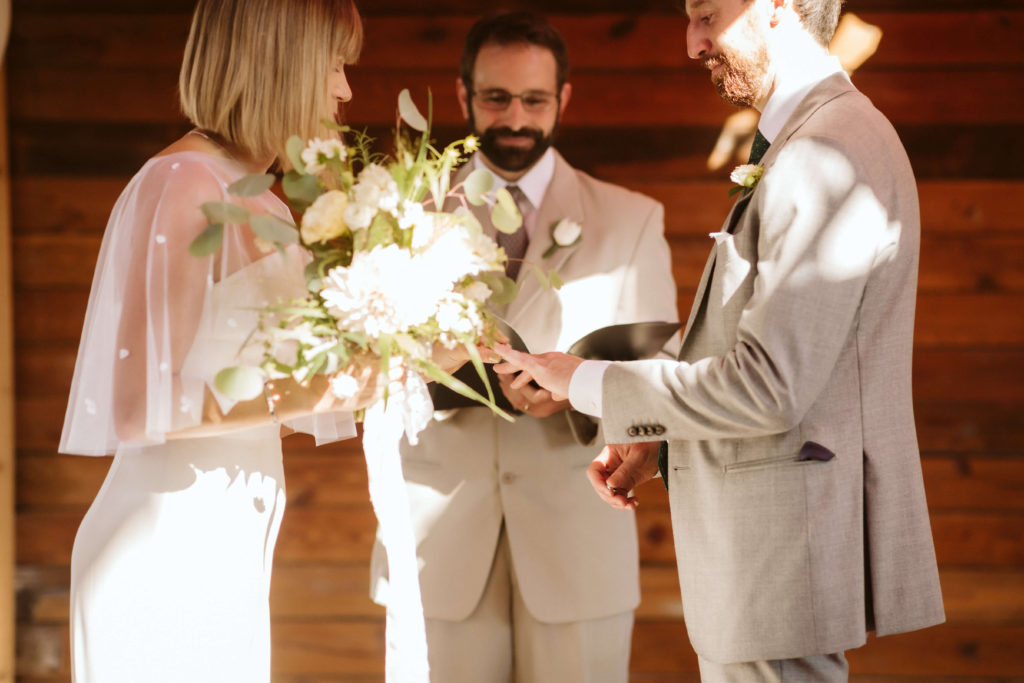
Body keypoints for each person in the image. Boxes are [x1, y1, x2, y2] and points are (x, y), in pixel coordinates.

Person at [494, 0, 946, 680]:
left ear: (779, 9)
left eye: (707, 15)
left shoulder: (826, 151)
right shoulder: (813, 137)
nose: (690, 42)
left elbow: (770, 383)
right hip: (772, 549)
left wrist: (584, 380)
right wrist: (661, 434)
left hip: (781, 550)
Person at [368, 11, 679, 683]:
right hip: (435, 545)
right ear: (462, 96)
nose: (515, 116)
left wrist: (578, 400)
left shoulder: (631, 219)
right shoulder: (400, 215)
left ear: (563, 99)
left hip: (577, 542)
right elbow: (367, 358)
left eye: (534, 99)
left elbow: (661, 382)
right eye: (496, 98)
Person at [58, 1, 365, 681]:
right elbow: (145, 406)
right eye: (335, 64)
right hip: (163, 548)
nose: (345, 90)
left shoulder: (268, 200)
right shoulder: (183, 183)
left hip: (226, 539)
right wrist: (340, 383)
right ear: (277, 62)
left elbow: (254, 406)